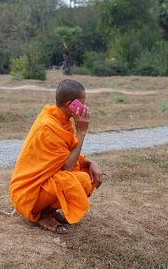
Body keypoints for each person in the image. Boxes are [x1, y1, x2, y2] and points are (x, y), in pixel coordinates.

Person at [9, 80, 103, 233]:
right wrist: (82, 132)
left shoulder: (61, 120)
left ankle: (48, 210)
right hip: (28, 193)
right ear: (70, 104)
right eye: (83, 103)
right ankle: (43, 214)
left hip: (42, 185)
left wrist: (90, 161)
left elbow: (64, 155)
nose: (85, 107)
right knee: (83, 181)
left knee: (87, 172)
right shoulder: (48, 126)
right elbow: (67, 166)